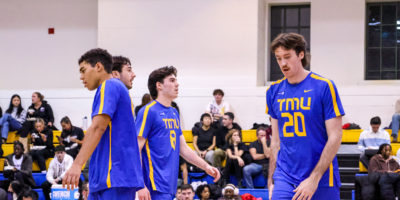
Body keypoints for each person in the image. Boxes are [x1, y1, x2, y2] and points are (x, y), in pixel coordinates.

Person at [266, 33, 344, 200]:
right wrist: (271, 180)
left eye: (287, 57)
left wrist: (314, 179)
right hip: (285, 176)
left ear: (301, 54)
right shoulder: (272, 91)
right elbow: (275, 141)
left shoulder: (324, 86)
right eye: (278, 58)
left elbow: (336, 136)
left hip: (321, 176)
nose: (283, 63)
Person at [62, 48, 144, 199]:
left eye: (83, 70)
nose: (81, 77)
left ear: (98, 66)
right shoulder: (110, 89)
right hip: (104, 177)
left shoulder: (110, 85)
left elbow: (98, 127)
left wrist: (77, 164)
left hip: (115, 177)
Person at [136, 66, 220, 200]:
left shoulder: (174, 112)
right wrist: (139, 185)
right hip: (153, 185)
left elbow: (184, 149)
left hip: (170, 185)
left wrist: (206, 166)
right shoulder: (148, 111)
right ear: (159, 85)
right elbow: (136, 149)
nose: (177, 84)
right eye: (172, 80)